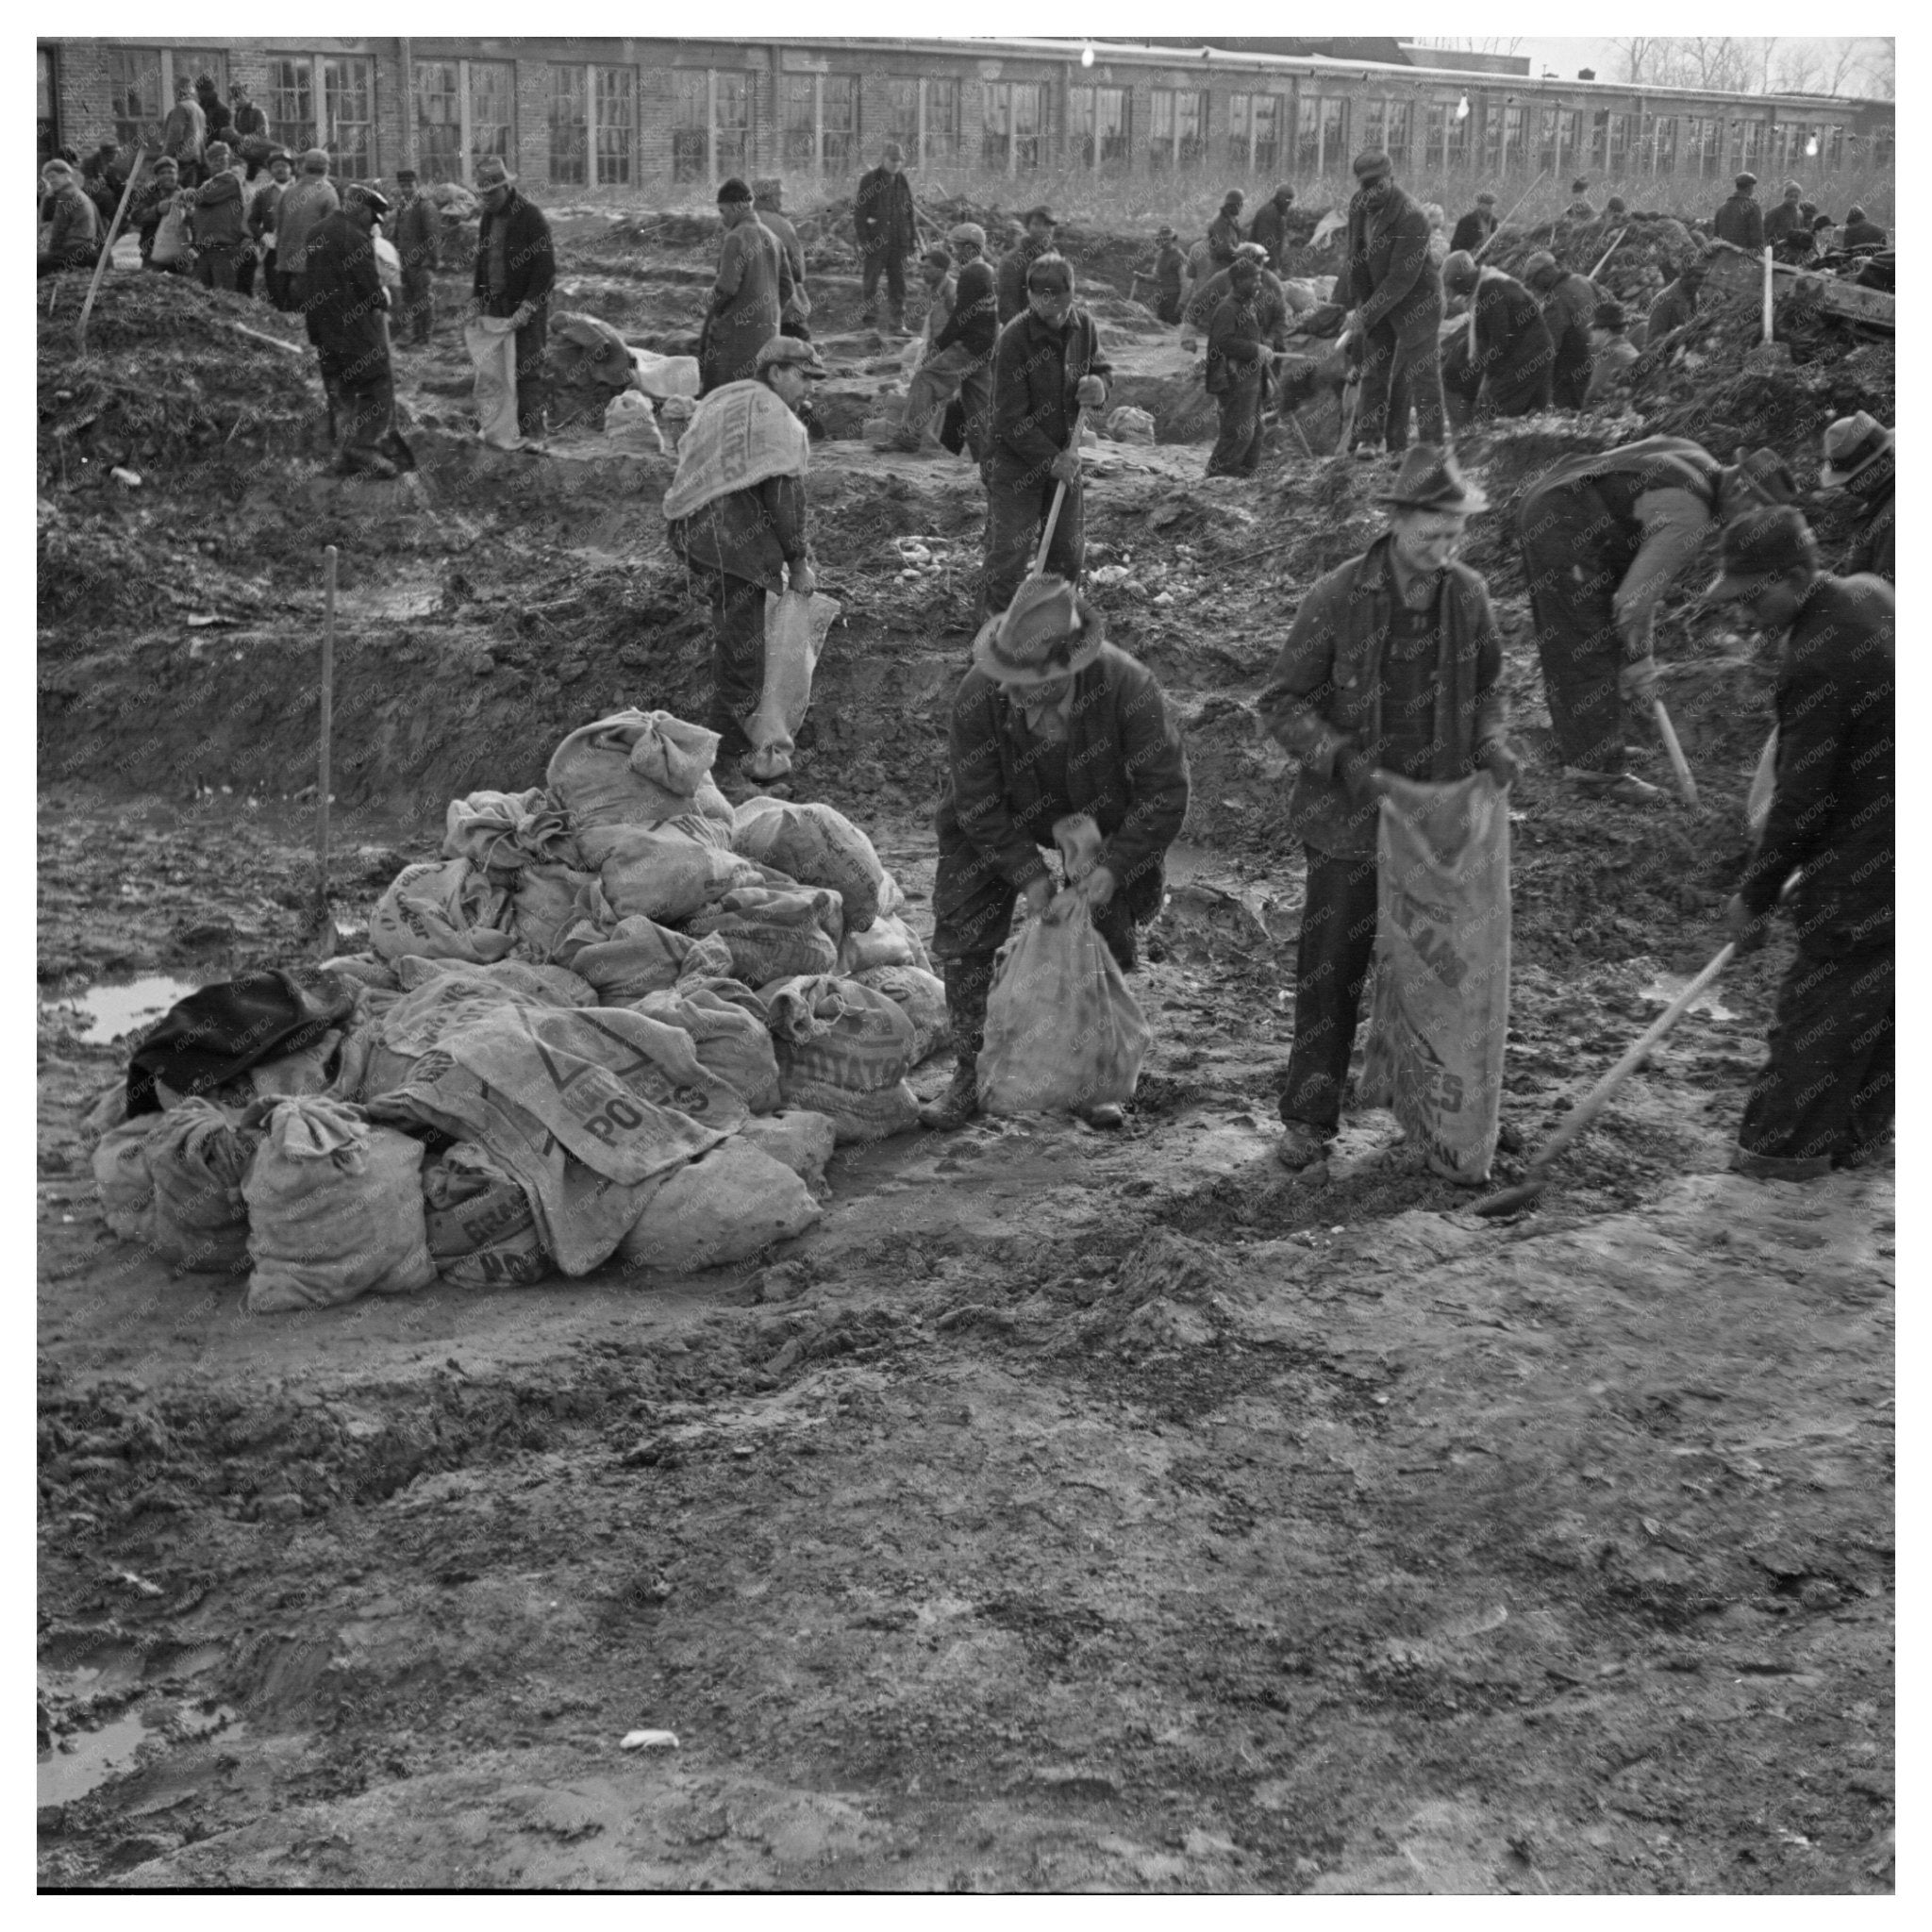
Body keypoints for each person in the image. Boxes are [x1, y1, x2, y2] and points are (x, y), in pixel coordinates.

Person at [1260, 446, 1517, 1171]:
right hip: (1348, 822)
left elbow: (1494, 686)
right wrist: (1342, 761)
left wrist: (1493, 741)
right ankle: (1309, 1119)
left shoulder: (1468, 596)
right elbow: (1281, 702)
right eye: (1431, 534)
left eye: (1455, 536)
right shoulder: (1338, 596)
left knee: (1439, 969)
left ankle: (1430, 1109)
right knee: (1331, 968)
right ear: (1397, 522)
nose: (1444, 550)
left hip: (1437, 826)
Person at [921, 575, 1190, 1132]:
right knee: (965, 922)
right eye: (1006, 680)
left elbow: (1164, 794)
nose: (1009, 695)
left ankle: (1093, 1072)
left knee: (1103, 931)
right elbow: (978, 802)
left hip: (1100, 817)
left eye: (1027, 685)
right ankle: (971, 1073)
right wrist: (1031, 879)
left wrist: (1112, 871)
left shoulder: (1129, 688)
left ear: (1068, 667)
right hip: (1006, 812)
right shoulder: (980, 693)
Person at [1705, 508, 1892, 1180]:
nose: (1750, 614)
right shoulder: (1860, 605)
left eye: (1754, 595)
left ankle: (1776, 1162)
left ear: (1791, 577)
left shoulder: (1819, 654)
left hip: (1871, 861)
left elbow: (1802, 795)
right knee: (1881, 1009)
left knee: (1822, 1010)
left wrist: (1756, 891)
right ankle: (1851, 1152)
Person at [1515, 438, 1794, 803]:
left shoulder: (1696, 457)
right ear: (1741, 487)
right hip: (1562, 517)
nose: (1750, 524)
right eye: (1754, 511)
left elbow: (1636, 587)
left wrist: (1637, 656)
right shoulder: (1690, 512)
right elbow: (1634, 601)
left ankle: (1595, 746)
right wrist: (1641, 659)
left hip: (1559, 498)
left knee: (1596, 627)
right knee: (1585, 638)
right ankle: (1597, 772)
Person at [663, 337, 826, 777]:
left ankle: (720, 760)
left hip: (695, 535)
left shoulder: (724, 399)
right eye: (803, 376)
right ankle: (724, 772)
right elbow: (785, 502)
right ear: (775, 372)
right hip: (734, 546)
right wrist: (798, 563)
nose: (809, 388)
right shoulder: (779, 424)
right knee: (743, 663)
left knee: (734, 647)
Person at [981, 253, 1110, 619]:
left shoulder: (1084, 325)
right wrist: (1050, 460)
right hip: (1014, 463)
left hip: (1064, 458)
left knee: (1067, 553)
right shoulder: (1013, 339)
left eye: (1060, 303)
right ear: (1030, 296)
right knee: (1008, 554)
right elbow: (1009, 418)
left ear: (1073, 292)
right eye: (1043, 303)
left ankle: (1050, 631)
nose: (1053, 314)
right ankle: (995, 636)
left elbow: (1100, 366)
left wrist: (1100, 384)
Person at [1342, 151, 1444, 461]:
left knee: (1423, 373)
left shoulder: (1412, 216)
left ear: (1391, 180)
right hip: (1378, 297)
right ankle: (1369, 440)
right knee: (1375, 369)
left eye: (1378, 185)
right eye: (1366, 185)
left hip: (1417, 302)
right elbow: (1355, 258)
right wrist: (1360, 305)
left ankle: (1432, 445)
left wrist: (1367, 312)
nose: (1371, 192)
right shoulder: (1358, 205)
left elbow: (1401, 278)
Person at [304, 184, 402, 478]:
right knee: (377, 380)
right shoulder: (356, 238)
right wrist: (383, 296)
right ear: (360, 208)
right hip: (353, 329)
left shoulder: (316, 232)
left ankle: (343, 455)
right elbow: (369, 290)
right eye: (372, 218)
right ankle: (365, 446)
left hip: (322, 329)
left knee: (340, 389)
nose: (373, 226)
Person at [470, 155, 556, 438]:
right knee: (497, 372)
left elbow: (545, 269)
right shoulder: (487, 218)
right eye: (483, 195)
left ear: (506, 188)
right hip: (496, 306)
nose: (488, 199)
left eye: (492, 193)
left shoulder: (531, 216)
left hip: (525, 309)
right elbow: (483, 262)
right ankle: (503, 430)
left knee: (528, 369)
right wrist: (478, 299)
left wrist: (529, 306)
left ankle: (534, 435)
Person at [697, 175, 791, 397]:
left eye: (723, 212)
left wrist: (709, 305)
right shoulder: (773, 238)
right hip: (769, 335)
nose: (722, 220)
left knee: (720, 397)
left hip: (735, 340)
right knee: (758, 397)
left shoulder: (736, 238)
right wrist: (769, 314)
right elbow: (787, 288)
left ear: (735, 207)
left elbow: (726, 289)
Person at [1440, 250, 1554, 421]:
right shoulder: (1493, 281)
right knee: (1533, 416)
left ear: (1463, 280)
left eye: (1457, 288)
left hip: (1527, 355)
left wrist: (1487, 380)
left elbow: (1499, 340)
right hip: (1538, 351)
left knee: (1489, 414)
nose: (1459, 294)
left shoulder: (1489, 289)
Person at [917, 222, 997, 460]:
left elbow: (961, 318)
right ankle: (985, 464)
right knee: (978, 413)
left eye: (958, 247)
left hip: (969, 348)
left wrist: (938, 347)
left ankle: (907, 437)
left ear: (971, 249)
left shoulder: (972, 274)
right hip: (985, 350)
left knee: (925, 378)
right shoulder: (987, 271)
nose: (954, 252)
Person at [1205, 255, 1274, 477]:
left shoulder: (1248, 307)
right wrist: (1256, 350)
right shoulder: (1228, 309)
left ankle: (1245, 471)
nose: (1259, 284)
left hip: (1251, 379)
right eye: (1254, 280)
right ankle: (1220, 472)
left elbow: (1254, 341)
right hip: (1234, 379)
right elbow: (1222, 342)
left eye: (1260, 279)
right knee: (1238, 431)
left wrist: (1265, 376)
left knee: (1255, 431)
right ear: (1238, 281)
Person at [890, 246, 957, 452]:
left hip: (951, 354)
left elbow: (958, 326)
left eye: (927, 268)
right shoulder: (935, 288)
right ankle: (915, 439)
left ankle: (914, 441)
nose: (922, 272)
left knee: (926, 386)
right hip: (938, 350)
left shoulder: (951, 291)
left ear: (941, 269)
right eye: (922, 267)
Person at [1818, 411, 1893, 580]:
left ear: (1880, 464)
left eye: (1852, 479)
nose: (1848, 489)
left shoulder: (1891, 519)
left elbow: (1885, 595)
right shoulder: (1877, 505)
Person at [1523, 249, 1599, 409]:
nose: (1535, 288)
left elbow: (1549, 345)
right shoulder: (1583, 280)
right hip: (1595, 360)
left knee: (1571, 417)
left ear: (1545, 274)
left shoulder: (1555, 300)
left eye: (1534, 282)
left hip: (1571, 372)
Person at [855, 141, 917, 332]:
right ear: (883, 159)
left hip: (898, 243)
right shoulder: (869, 180)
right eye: (893, 160)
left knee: (898, 283)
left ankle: (897, 322)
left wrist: (913, 239)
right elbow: (860, 214)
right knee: (871, 283)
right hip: (876, 243)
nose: (896, 164)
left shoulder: (902, 181)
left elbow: (909, 213)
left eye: (899, 161)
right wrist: (865, 242)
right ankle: (870, 323)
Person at [275, 148, 339, 308]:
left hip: (286, 267)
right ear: (326, 169)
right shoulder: (328, 194)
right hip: (314, 270)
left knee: (288, 319)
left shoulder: (287, 193)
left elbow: (279, 228)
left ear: (304, 167)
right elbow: (333, 236)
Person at [1184, 241, 1289, 333]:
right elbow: (1197, 303)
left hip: (1262, 336)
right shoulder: (1224, 278)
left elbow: (1281, 316)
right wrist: (1188, 330)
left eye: (1258, 263)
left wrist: (1272, 338)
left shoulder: (1272, 283)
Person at [753, 178, 810, 340]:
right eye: (779, 197)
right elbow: (798, 271)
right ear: (771, 198)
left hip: (748, 314)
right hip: (783, 310)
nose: (781, 202)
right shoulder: (782, 225)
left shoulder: (736, 224)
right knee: (805, 354)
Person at [391, 167, 438, 346]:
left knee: (424, 300)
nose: (406, 189)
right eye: (402, 186)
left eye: (409, 185)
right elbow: (398, 234)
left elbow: (432, 237)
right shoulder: (403, 206)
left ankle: (425, 338)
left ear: (417, 184)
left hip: (421, 264)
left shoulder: (426, 206)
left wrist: (429, 263)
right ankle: (416, 336)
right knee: (411, 300)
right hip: (406, 263)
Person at [189, 143, 245, 291]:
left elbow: (204, 197)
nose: (218, 162)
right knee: (203, 292)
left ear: (229, 162)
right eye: (214, 160)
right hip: (205, 247)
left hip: (224, 246)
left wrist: (186, 193)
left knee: (223, 294)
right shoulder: (210, 183)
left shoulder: (230, 180)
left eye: (222, 159)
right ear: (208, 163)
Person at [37, 159, 101, 275]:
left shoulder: (66, 195)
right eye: (48, 178)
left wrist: (51, 255)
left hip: (74, 251)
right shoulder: (78, 192)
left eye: (53, 176)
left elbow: (59, 229)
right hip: (87, 251)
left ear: (66, 175)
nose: (51, 181)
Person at [247, 152, 294, 308]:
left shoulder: (301, 190)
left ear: (291, 169)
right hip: (273, 251)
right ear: (270, 170)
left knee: (297, 291)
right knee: (276, 290)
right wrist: (263, 236)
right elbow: (252, 221)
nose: (280, 169)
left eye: (284, 165)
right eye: (276, 166)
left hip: (297, 248)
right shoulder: (264, 193)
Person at [995, 205, 1057, 325]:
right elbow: (1008, 306)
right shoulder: (1014, 260)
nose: (1043, 229)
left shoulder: (1054, 256)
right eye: (1036, 224)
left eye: (1048, 225)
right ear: (1028, 227)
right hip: (1026, 331)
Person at [1584, 299, 1639, 406]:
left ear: (1605, 331)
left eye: (1594, 329)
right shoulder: (1629, 347)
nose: (1591, 334)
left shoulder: (1608, 354)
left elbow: (1594, 394)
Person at [131, 157, 182, 268]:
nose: (167, 176)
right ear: (156, 177)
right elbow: (135, 217)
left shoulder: (184, 196)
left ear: (177, 175)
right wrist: (156, 210)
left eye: (171, 172)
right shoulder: (147, 195)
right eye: (162, 173)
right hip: (151, 252)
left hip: (179, 255)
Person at [1137, 224, 1188, 324]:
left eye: (1166, 239)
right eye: (1161, 239)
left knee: (1172, 328)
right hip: (1160, 297)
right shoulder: (1160, 255)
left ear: (1172, 239)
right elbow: (1156, 277)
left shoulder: (1178, 256)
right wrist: (1143, 277)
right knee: (1161, 327)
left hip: (1173, 299)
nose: (1164, 242)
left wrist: (1182, 302)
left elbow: (1185, 282)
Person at [162, 75, 207, 188]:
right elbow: (203, 138)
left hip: (181, 162)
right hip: (195, 161)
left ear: (178, 91)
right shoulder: (199, 109)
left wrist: (164, 156)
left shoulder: (181, 108)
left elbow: (175, 135)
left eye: (175, 90)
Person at [1647, 258, 1705, 341]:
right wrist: (1677, 335)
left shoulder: (1694, 295)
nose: (1702, 281)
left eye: (1704, 276)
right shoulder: (1663, 300)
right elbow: (1653, 340)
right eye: (1698, 276)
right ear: (1684, 275)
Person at [1248, 184, 1297, 274]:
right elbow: (1267, 243)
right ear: (1279, 196)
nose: (1289, 202)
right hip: (1261, 265)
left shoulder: (1277, 213)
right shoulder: (1269, 213)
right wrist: (1273, 267)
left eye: (1291, 199)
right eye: (1287, 198)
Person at [1713, 173, 1764, 251]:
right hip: (1743, 257)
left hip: (1722, 256)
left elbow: (1716, 236)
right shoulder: (1753, 207)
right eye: (1752, 187)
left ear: (1737, 187)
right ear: (1749, 188)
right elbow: (1757, 239)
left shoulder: (1722, 208)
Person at [80, 142, 128, 225]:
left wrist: (124, 185)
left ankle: (126, 218)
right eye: (115, 153)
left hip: (104, 190)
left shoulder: (110, 166)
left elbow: (115, 182)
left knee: (125, 191)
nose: (116, 156)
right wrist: (98, 183)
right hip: (90, 193)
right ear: (107, 154)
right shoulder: (89, 162)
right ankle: (121, 223)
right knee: (107, 196)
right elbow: (87, 183)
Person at [230, 84, 269, 177]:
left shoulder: (257, 112)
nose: (237, 100)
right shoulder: (237, 113)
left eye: (239, 96)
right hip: (243, 155)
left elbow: (262, 134)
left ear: (246, 95)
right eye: (235, 97)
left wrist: (244, 140)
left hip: (256, 155)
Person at [1762, 180, 1815, 247]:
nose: (1793, 199)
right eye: (1791, 196)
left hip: (1793, 251)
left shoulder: (1799, 214)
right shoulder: (1775, 212)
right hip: (1777, 251)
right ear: (1785, 196)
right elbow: (1764, 233)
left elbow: (1799, 231)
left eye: (1796, 197)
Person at [1449, 191, 1498, 257]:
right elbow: (1456, 246)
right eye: (1489, 206)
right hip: (1470, 259)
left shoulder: (1494, 222)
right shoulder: (1466, 222)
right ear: (1480, 205)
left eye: (1491, 206)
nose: (1491, 209)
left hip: (1489, 259)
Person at [1208, 190, 1246, 267]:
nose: (1241, 207)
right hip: (1222, 267)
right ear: (1231, 206)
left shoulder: (1232, 220)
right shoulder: (1220, 224)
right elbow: (1225, 251)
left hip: (1230, 265)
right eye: (1239, 205)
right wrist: (1245, 256)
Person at [195, 75, 232, 151]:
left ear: (205, 91)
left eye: (199, 91)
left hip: (214, 152)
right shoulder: (200, 107)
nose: (198, 94)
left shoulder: (222, 110)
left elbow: (223, 136)